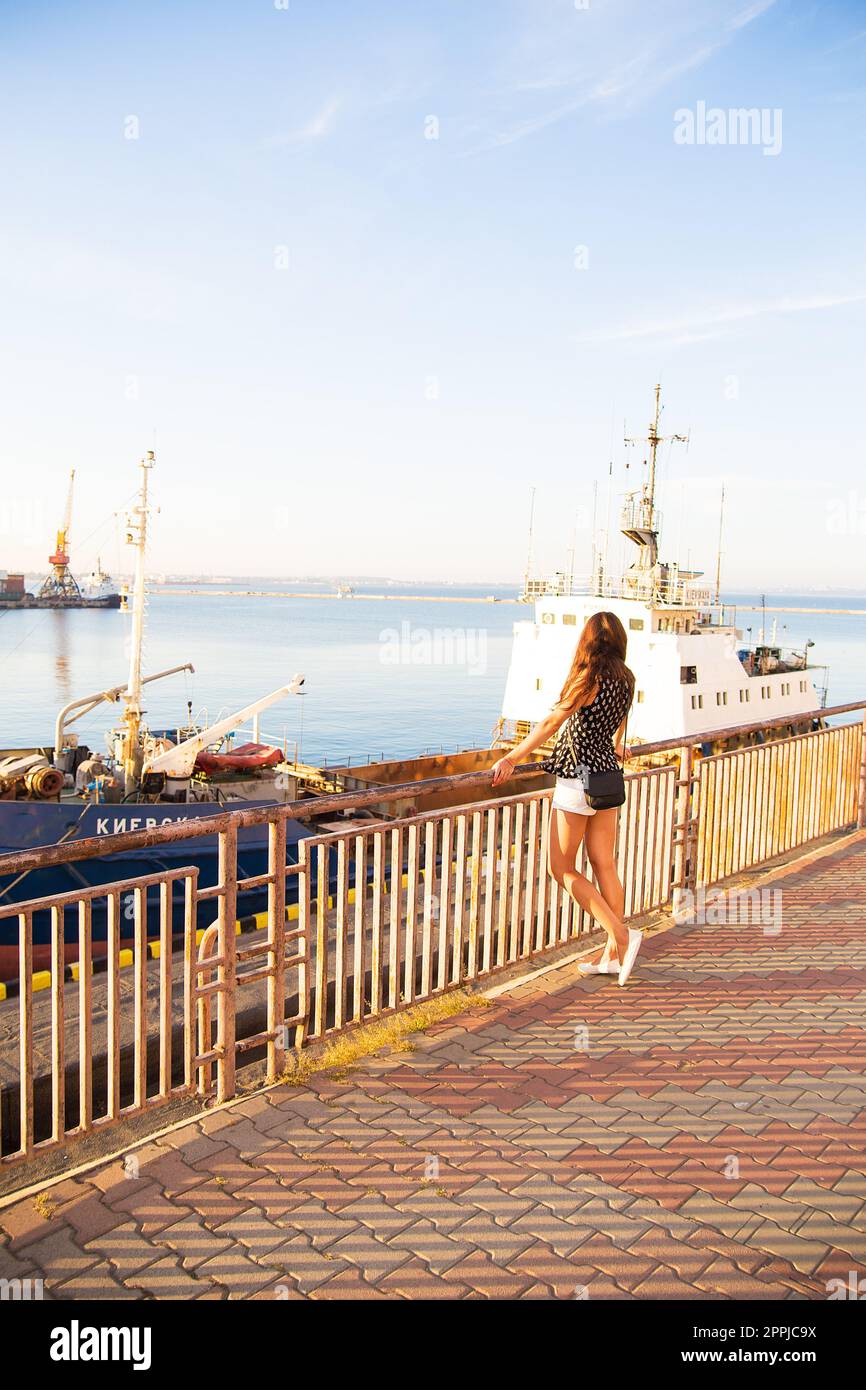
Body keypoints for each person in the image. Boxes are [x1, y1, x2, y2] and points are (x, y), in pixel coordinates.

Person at [490, 610, 643, 985]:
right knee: (604, 864)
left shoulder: (589, 677)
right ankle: (611, 954)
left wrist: (512, 757)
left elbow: (551, 723)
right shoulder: (626, 678)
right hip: (607, 776)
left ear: (588, 641)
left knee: (560, 868)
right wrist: (619, 744)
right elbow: (621, 719)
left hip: (578, 780)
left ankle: (622, 937)